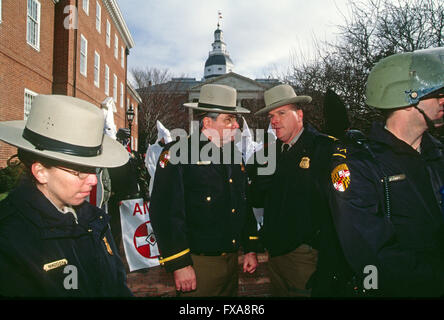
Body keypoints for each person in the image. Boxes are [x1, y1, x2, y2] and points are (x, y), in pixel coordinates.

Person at [328, 47, 444, 297]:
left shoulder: (437, 155)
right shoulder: (357, 166)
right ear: (406, 96)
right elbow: (371, 256)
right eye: (437, 93)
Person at [0, 95, 132, 297]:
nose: (94, 181)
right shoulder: (10, 239)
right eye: (79, 171)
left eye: (94, 169)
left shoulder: (96, 221)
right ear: (41, 172)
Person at [149, 84, 259, 297]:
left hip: (230, 263)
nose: (236, 125)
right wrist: (179, 263)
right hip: (198, 265)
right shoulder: (178, 153)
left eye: (234, 119)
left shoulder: (233, 156)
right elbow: (164, 212)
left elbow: (241, 205)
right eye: (229, 119)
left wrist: (250, 247)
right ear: (208, 122)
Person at [251, 84, 342, 297]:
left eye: (282, 113)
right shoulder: (269, 155)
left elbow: (338, 210)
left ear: (299, 115)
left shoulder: (324, 149)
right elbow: (258, 199)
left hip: (307, 257)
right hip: (275, 256)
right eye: (272, 115)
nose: (274, 121)